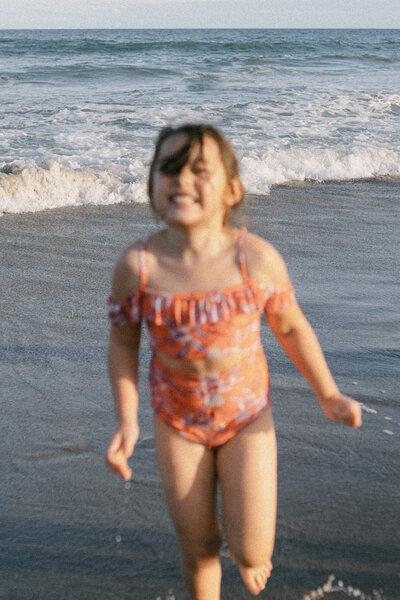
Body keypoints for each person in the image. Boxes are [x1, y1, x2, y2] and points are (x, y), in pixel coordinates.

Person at [106, 123, 362, 599]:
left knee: (249, 549)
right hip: (177, 419)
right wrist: (126, 419)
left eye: (199, 170)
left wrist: (328, 394)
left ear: (232, 190)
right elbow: (123, 345)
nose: (181, 180)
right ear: (150, 186)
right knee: (199, 542)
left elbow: (290, 326)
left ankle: (251, 556)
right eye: (169, 169)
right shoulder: (139, 267)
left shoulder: (255, 259)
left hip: (246, 416)